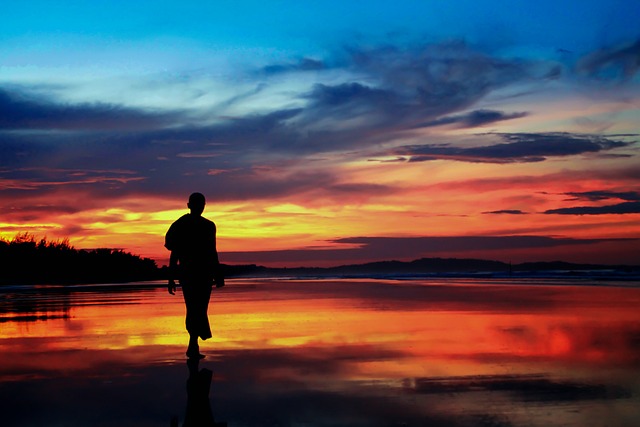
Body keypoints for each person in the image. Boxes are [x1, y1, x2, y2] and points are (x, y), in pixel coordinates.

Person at [165, 192, 223, 359]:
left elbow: (212, 251)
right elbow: (174, 252)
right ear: (189, 205)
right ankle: (193, 344)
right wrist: (170, 278)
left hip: (202, 274)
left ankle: (193, 343)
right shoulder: (181, 224)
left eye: (202, 204)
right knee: (194, 308)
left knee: (198, 308)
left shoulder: (208, 225)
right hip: (190, 273)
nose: (200, 207)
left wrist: (217, 274)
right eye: (198, 204)